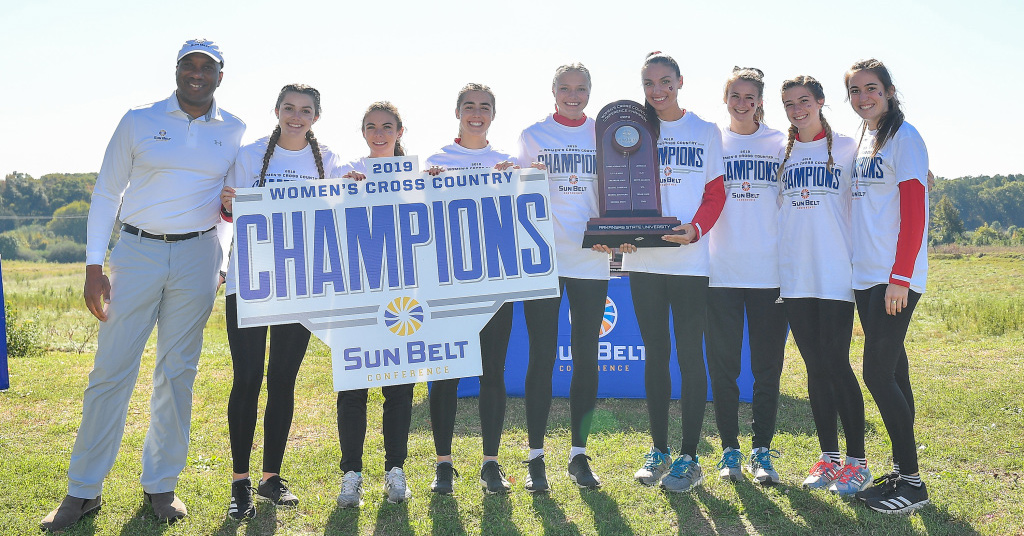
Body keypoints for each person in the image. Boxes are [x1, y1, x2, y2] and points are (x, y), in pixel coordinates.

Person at [40, 38, 245, 532]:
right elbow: (107, 190)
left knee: (177, 374)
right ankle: (82, 491)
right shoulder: (138, 120)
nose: (197, 75)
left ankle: (161, 484)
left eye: (207, 68)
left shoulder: (234, 130)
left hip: (198, 255)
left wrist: (220, 259)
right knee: (111, 371)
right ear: (177, 71)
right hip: (136, 251)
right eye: (189, 66)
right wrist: (93, 266)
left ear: (221, 76)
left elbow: (231, 201)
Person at [219, 84, 340, 520]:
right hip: (249, 282)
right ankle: (240, 483)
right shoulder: (250, 155)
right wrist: (230, 204)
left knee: (283, 380)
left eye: (305, 110)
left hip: (301, 284)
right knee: (247, 378)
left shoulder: (330, 160)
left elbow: (349, 210)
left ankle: (271, 476)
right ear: (276, 111)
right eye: (289, 108)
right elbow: (227, 212)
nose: (296, 116)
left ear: (316, 116)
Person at [624, 52, 725, 493]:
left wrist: (697, 229)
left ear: (680, 82)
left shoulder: (704, 131)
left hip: (687, 263)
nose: (657, 91)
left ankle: (689, 457)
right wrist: (619, 228)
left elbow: (715, 194)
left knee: (689, 356)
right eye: (649, 83)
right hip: (643, 261)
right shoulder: (631, 130)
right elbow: (615, 185)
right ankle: (659, 450)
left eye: (665, 81)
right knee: (656, 354)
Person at [516, 63, 611, 492]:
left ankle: (578, 454)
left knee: (586, 356)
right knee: (541, 356)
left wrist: (622, 232)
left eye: (581, 88)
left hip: (592, 257)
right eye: (566, 88)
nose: (573, 95)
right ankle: (536, 457)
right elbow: (517, 193)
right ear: (553, 90)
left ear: (590, 91)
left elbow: (620, 189)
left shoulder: (604, 134)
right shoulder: (532, 135)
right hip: (545, 261)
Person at [776, 75, 870, 497]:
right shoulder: (783, 151)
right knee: (814, 367)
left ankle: (857, 462)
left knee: (836, 363)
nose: (797, 110)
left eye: (804, 101)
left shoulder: (850, 148)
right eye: (789, 104)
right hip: (796, 277)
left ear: (820, 102)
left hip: (835, 275)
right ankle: (829, 458)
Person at [845, 59, 931, 514]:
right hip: (866, 276)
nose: (863, 97)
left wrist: (900, 278)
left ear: (890, 90)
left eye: (871, 88)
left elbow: (915, 212)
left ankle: (913, 483)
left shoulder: (906, 137)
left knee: (876, 373)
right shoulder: (865, 139)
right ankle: (902, 471)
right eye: (855, 91)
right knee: (895, 371)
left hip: (894, 278)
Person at [425, 83, 519, 495]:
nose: (476, 114)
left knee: (492, 373)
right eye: (469, 107)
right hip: (447, 284)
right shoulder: (435, 161)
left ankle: (490, 463)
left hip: (496, 282)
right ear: (457, 112)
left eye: (484, 107)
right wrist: (424, 185)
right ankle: (444, 463)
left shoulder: (507, 162)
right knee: (444, 372)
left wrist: (517, 183)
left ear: (493, 115)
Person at [706, 67, 788, 485]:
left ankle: (763, 451)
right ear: (725, 98)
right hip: (719, 273)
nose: (742, 103)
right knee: (723, 369)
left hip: (769, 274)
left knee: (767, 369)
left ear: (760, 100)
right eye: (735, 95)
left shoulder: (780, 142)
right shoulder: (712, 141)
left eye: (749, 96)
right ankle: (729, 451)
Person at [335, 101, 416, 508]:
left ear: (400, 131)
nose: (379, 133)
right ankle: (351, 474)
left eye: (387, 127)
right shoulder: (345, 171)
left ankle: (395, 471)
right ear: (362, 131)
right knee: (353, 389)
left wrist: (436, 185)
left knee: (399, 389)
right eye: (371, 127)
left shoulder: (416, 175)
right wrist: (340, 191)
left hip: (403, 296)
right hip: (357, 293)